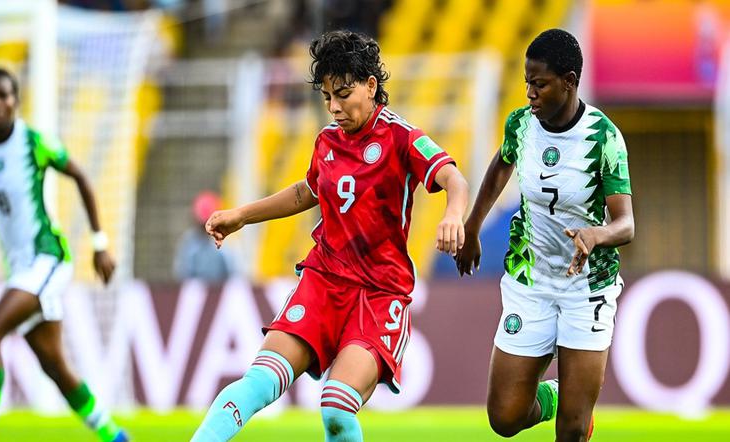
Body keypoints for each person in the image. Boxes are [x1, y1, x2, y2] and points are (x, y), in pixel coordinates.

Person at [192, 30, 469, 441]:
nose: (335, 107)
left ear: (371, 86)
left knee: (337, 407)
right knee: (257, 382)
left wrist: (453, 215)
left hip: (379, 293)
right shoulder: (327, 141)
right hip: (324, 280)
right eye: (327, 97)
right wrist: (241, 216)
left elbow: (454, 179)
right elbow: (308, 191)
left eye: (343, 94)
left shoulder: (401, 136)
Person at [455, 29, 634, 441]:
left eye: (540, 84)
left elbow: (626, 224)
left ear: (569, 81)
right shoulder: (520, 125)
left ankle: (574, 407)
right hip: (530, 281)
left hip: (586, 287)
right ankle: (557, 396)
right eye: (527, 83)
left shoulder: (603, 138)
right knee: (504, 418)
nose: (530, 93)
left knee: (572, 429)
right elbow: (503, 163)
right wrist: (473, 224)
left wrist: (595, 235)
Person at [0, 68, 128, 442]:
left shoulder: (33, 142)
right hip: (21, 270)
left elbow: (82, 178)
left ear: (15, 100)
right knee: (55, 366)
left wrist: (99, 243)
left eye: (3, 96)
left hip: (49, 259)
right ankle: (117, 437)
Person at [173, 191, 234, 284]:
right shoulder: (189, 242)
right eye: (203, 224)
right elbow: (182, 274)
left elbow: (235, 275)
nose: (206, 228)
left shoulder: (227, 242)